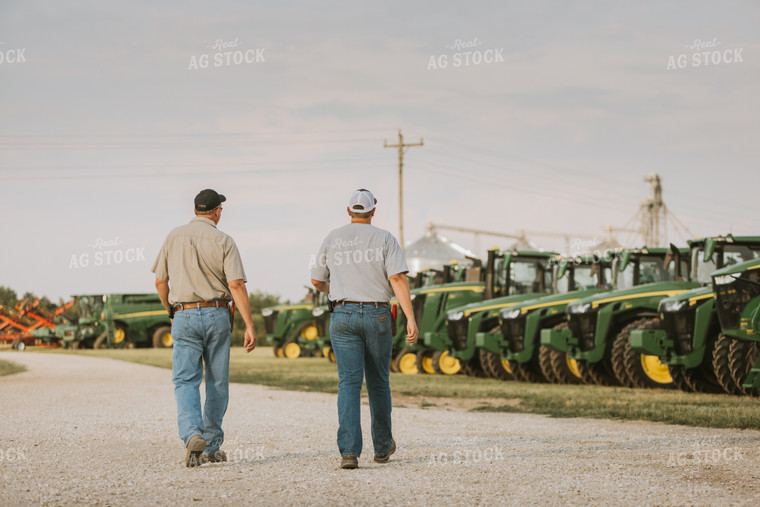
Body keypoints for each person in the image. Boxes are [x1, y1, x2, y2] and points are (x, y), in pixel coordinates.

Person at [310, 188, 419, 469]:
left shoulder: (332, 238)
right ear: (373, 212)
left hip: (343, 314)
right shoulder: (384, 238)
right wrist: (410, 317)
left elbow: (316, 280)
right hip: (377, 314)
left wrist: (336, 290)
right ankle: (382, 448)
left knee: (348, 383)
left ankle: (349, 452)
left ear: (349, 211)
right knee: (379, 382)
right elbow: (397, 278)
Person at [152, 189, 257, 467]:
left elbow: (160, 282)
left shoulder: (173, 236)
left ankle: (192, 435)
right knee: (217, 382)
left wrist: (171, 311)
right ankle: (210, 447)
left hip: (184, 314)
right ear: (217, 211)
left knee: (186, 380)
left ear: (197, 210)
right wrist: (249, 324)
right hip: (217, 314)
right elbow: (235, 285)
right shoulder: (224, 240)